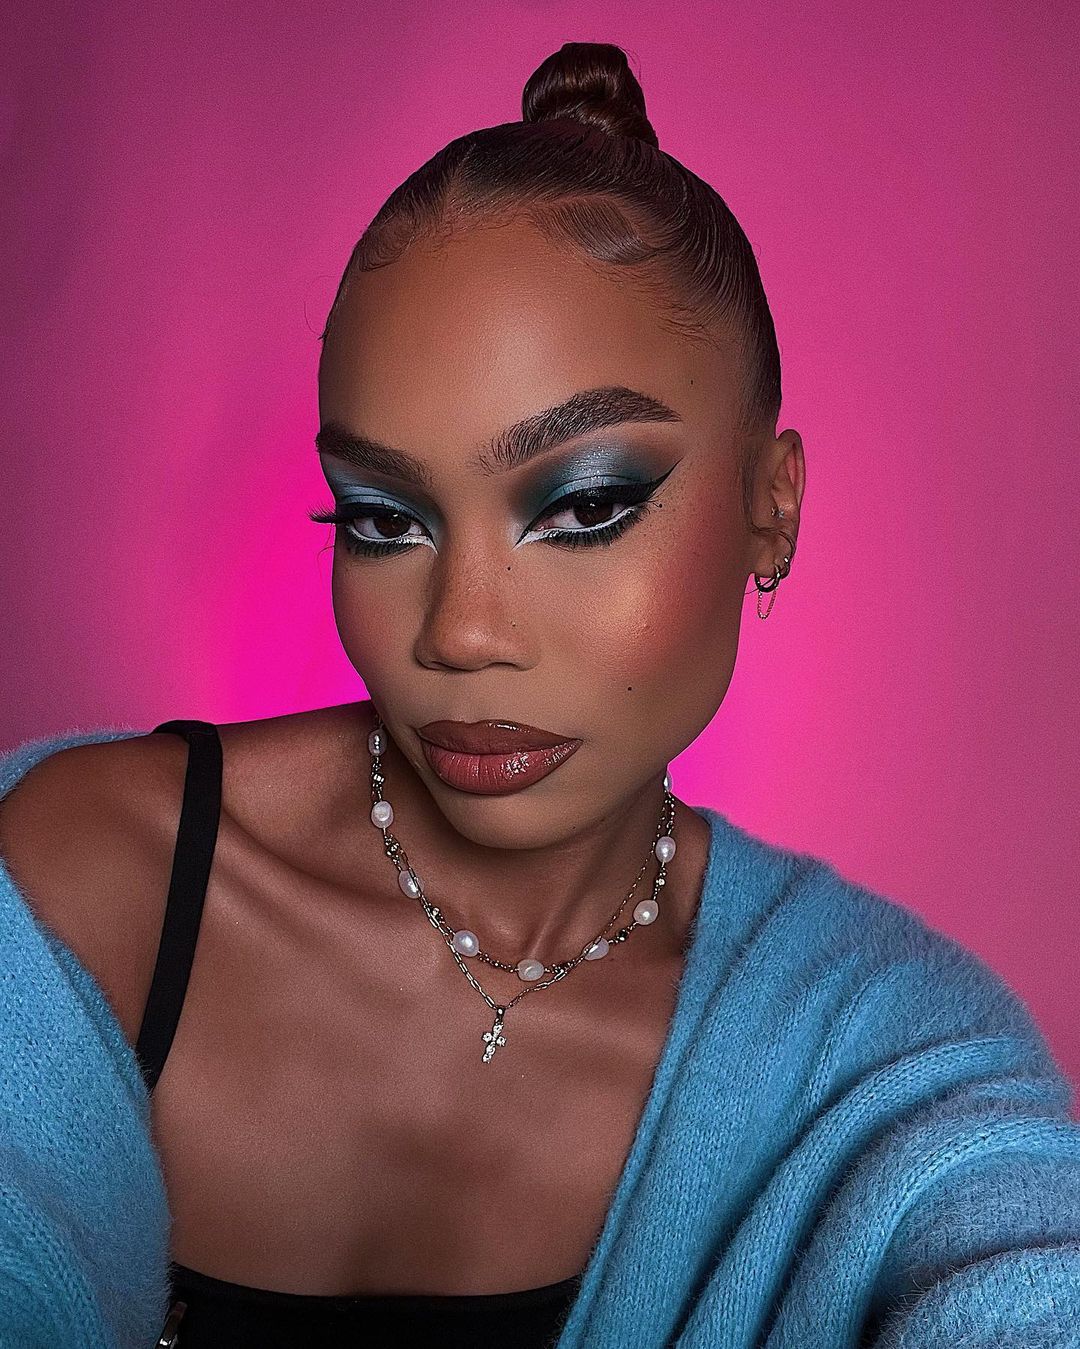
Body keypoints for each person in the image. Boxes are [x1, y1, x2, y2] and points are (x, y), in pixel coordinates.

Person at [1, 39, 1078, 1349]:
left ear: (771, 506)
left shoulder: (885, 1058)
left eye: (581, 507)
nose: (459, 632)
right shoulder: (94, 885)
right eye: (384, 517)